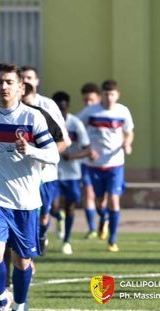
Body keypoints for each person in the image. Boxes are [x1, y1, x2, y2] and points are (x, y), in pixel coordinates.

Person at [0, 63, 59, 311]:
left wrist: (30, 150)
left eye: (8, 82)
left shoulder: (33, 118)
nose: (3, 86)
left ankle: (19, 310)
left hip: (26, 203)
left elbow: (53, 155)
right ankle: (1, 299)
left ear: (21, 87)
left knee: (22, 262)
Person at [78, 79, 134, 252]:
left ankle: (112, 239)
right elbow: (77, 129)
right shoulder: (90, 112)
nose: (109, 98)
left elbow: (129, 132)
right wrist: (87, 148)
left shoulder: (123, 111)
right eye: (105, 94)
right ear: (101, 95)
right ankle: (103, 219)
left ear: (117, 95)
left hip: (115, 164)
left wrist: (128, 143)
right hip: (94, 164)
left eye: (112, 94)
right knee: (99, 202)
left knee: (114, 199)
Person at [20, 66, 71, 254]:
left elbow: (64, 140)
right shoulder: (10, 107)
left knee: (42, 215)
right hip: (20, 175)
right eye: (22, 77)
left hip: (46, 175)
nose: (26, 81)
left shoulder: (47, 106)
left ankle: (40, 237)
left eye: (29, 77)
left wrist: (41, 157)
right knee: (26, 214)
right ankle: (27, 251)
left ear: (36, 81)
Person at [52, 91, 91, 254]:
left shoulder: (76, 124)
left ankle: (67, 240)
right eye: (58, 110)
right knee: (51, 207)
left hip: (72, 174)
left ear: (68, 107)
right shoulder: (47, 122)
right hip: (51, 173)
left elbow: (87, 149)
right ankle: (58, 218)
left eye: (64, 109)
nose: (61, 113)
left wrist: (72, 156)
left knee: (70, 207)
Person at [79, 82, 102, 239]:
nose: (88, 103)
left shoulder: (109, 113)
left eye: (91, 100)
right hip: (87, 162)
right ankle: (92, 227)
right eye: (85, 100)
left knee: (103, 199)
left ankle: (104, 219)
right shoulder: (83, 115)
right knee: (88, 193)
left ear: (98, 98)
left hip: (107, 163)